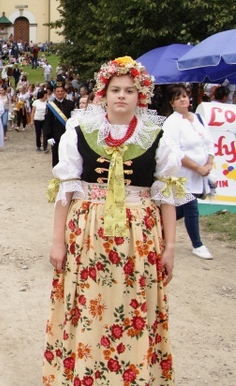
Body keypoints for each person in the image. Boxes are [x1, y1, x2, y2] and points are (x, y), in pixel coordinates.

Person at [44, 57, 185, 384]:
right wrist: (56, 242)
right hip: (88, 234)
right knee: (90, 304)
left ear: (141, 96)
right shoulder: (80, 132)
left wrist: (171, 247)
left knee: (134, 304)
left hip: (140, 236)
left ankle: (133, 374)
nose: (122, 96)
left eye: (129, 90)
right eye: (115, 89)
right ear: (103, 94)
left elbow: (166, 197)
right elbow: (65, 193)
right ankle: (85, 373)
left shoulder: (158, 136)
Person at [162, 84, 214, 260]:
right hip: (182, 173)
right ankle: (197, 244)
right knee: (191, 206)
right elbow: (175, 150)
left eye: (184, 96)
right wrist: (197, 167)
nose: (183, 100)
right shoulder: (172, 123)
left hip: (200, 173)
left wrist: (208, 163)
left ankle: (160, 227)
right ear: (172, 103)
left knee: (182, 210)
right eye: (178, 98)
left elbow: (209, 143)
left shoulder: (198, 118)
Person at [45, 81, 75, 167]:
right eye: (58, 91)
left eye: (61, 91)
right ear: (54, 92)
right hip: (56, 135)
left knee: (68, 155)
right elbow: (48, 122)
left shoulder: (70, 104)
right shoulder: (50, 105)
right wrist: (49, 136)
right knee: (56, 155)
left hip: (68, 134)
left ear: (64, 92)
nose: (60, 93)